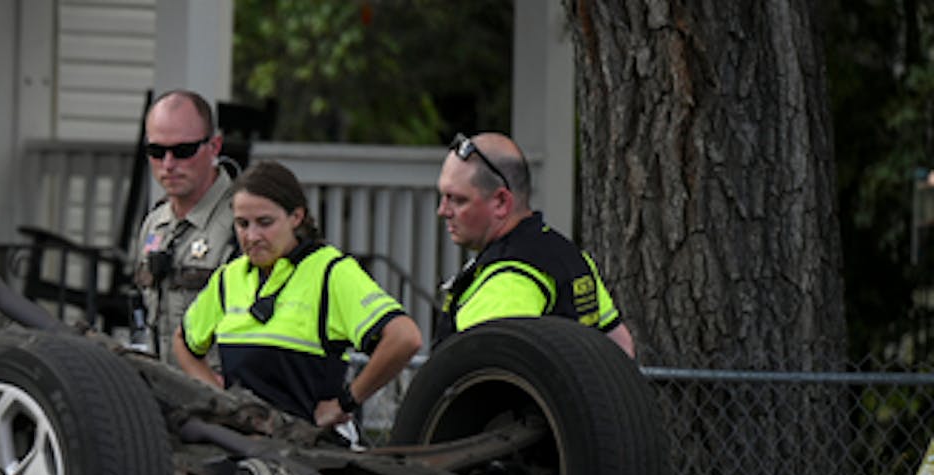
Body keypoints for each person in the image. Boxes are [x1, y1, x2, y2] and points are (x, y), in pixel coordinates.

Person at [174, 160, 423, 431]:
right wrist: (219, 400)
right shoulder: (229, 277)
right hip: (242, 447)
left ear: (297, 217)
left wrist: (346, 402)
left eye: (265, 222)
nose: (252, 236)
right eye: (242, 224)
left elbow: (404, 337)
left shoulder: (330, 272)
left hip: (311, 452)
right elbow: (183, 341)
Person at [435, 131, 635, 357]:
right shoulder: (572, 258)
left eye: (458, 199)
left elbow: (489, 376)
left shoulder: (506, 283)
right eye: (443, 197)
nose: (443, 211)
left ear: (501, 201)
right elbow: (621, 346)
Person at [130, 90, 237, 362]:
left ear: (214, 147)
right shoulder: (155, 224)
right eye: (156, 151)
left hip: (224, 395)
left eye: (183, 151)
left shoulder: (245, 222)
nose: (168, 164)